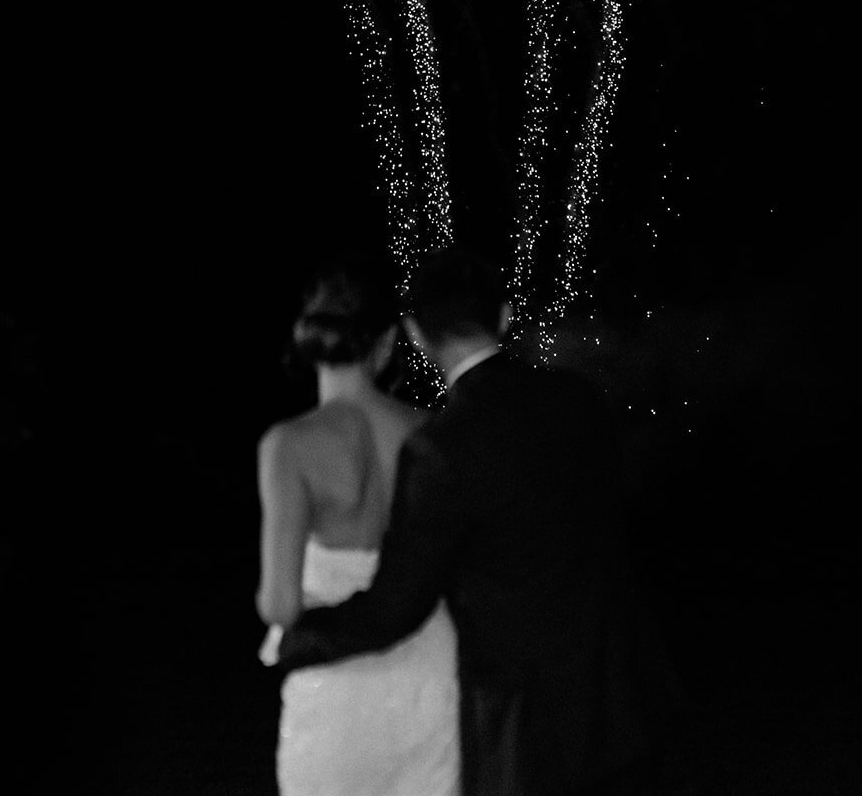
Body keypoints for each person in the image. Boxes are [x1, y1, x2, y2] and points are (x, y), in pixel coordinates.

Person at [276, 246, 667, 796]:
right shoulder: (580, 399)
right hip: (621, 695)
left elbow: (398, 604)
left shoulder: (444, 447)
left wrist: (303, 640)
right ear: (504, 316)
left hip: (525, 722)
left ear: (413, 334)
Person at [257, 258, 461, 796]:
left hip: (336, 680)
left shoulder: (289, 446)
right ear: (388, 342)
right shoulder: (430, 430)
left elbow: (279, 605)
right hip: (425, 665)